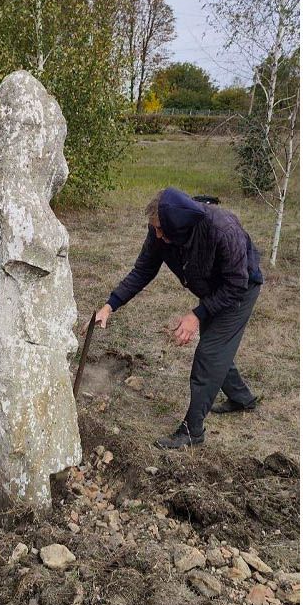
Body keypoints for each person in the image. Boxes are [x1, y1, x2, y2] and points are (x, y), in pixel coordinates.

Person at [94, 188, 263, 450]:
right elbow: (143, 270)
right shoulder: (160, 230)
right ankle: (242, 399)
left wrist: (197, 314)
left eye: (162, 230)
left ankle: (192, 432)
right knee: (217, 348)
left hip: (239, 290)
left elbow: (236, 283)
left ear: (179, 226)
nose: (158, 235)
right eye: (155, 229)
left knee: (210, 354)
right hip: (213, 289)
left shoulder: (222, 229)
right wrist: (110, 306)